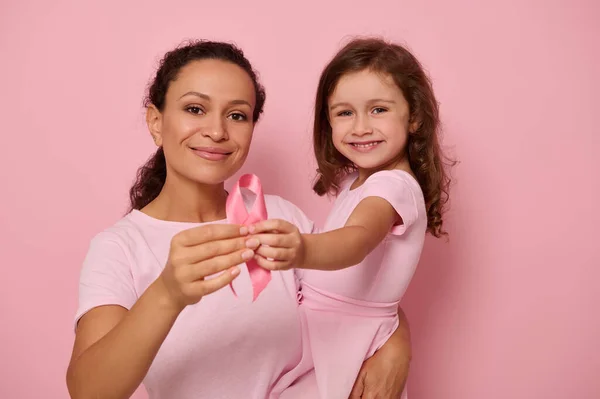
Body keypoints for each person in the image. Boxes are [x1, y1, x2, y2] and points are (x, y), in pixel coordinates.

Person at [66, 39, 412, 399]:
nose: (217, 131)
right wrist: (167, 294)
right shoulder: (120, 248)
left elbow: (355, 294)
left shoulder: (279, 218)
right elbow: (88, 391)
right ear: (156, 121)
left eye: (237, 115)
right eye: (195, 109)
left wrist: (398, 342)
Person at [246, 37, 453, 398]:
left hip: (346, 341)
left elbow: (357, 239)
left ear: (415, 118)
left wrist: (301, 250)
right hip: (322, 333)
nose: (360, 127)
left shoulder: (394, 186)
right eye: (345, 112)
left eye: (378, 110)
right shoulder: (356, 182)